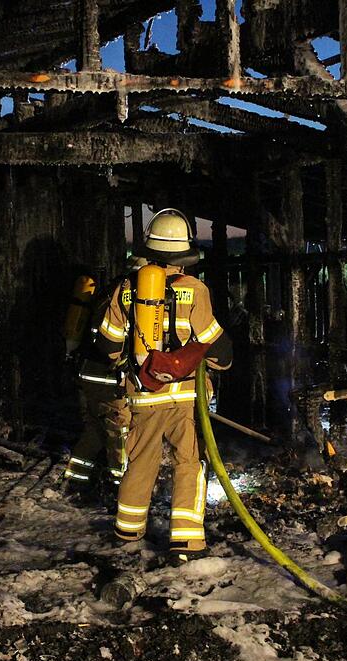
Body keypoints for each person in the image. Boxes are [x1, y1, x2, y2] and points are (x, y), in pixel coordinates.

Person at [94, 209, 232, 562]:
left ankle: (127, 531)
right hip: (185, 397)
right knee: (188, 463)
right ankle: (185, 543)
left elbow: (108, 346)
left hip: (143, 394)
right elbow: (215, 346)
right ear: (184, 255)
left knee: (140, 462)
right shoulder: (195, 290)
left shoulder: (126, 289)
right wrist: (218, 361)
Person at [61, 259, 147, 504]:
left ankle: (76, 479)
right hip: (108, 378)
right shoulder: (127, 297)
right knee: (119, 432)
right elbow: (111, 342)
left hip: (88, 374)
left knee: (95, 431)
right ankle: (121, 489)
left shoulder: (109, 291)